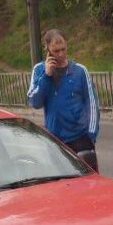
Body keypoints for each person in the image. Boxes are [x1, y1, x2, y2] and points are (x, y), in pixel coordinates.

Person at [27, 29, 101, 171]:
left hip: (81, 138)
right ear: (47, 49)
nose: (60, 54)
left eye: (63, 49)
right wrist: (47, 75)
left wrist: (91, 136)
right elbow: (35, 102)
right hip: (55, 140)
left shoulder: (80, 71)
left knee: (89, 184)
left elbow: (92, 104)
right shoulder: (39, 70)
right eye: (56, 51)